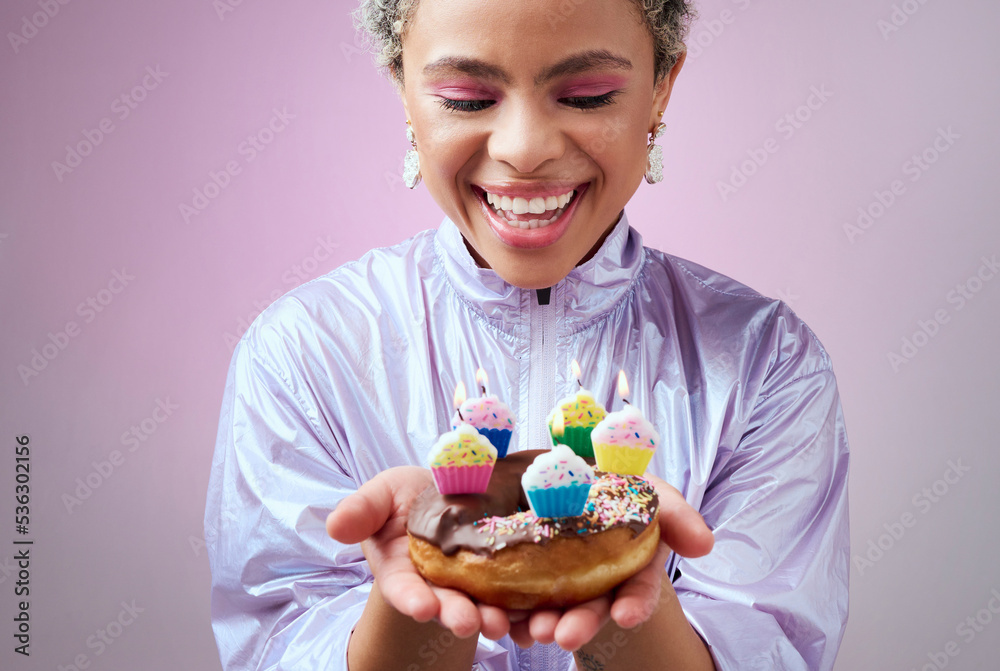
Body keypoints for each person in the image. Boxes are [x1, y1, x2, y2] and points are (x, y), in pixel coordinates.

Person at [204, 0, 851, 669]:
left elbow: (772, 648)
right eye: (465, 97)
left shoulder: (766, 362)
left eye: (587, 94)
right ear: (404, 90)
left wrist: (620, 591)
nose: (523, 148)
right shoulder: (302, 355)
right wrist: (420, 600)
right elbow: (276, 645)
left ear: (661, 90)